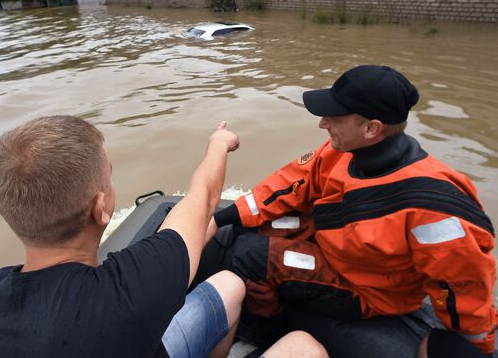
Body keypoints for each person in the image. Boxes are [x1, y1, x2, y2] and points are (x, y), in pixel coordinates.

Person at [208, 65, 496, 357]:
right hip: (341, 248)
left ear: (371, 128)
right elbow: (294, 182)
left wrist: (475, 346)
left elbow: (464, 285)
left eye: (334, 117)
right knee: (250, 229)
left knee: (250, 255)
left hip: (368, 290)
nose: (323, 123)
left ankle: (264, 329)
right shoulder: (342, 152)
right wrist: (217, 219)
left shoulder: (433, 207)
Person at [0, 115, 246, 358]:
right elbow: (203, 197)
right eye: (108, 174)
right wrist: (219, 144)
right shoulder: (125, 295)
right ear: (100, 209)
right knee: (251, 303)